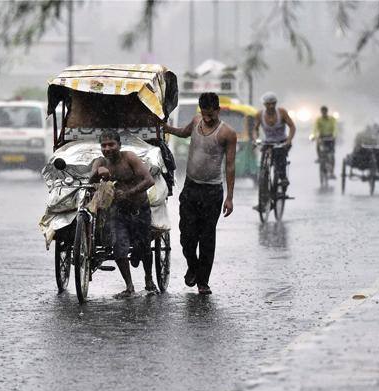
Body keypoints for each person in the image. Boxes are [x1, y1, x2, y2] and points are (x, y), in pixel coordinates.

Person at [161, 92, 237, 295]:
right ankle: (192, 266)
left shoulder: (227, 133)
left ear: (218, 110)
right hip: (191, 187)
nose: (208, 118)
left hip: (212, 191)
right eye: (204, 114)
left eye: (211, 114)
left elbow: (230, 166)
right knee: (186, 235)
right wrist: (166, 128)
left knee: (207, 237)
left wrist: (229, 197)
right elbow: (184, 133)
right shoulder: (196, 121)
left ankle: (203, 281)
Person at [89, 131, 155, 298]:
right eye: (104, 145)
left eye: (111, 144)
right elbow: (90, 181)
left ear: (119, 145)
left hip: (140, 209)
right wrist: (97, 173)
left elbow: (149, 180)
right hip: (117, 212)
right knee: (119, 249)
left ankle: (149, 279)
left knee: (144, 247)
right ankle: (129, 286)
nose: (107, 148)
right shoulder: (100, 161)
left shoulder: (129, 158)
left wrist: (129, 193)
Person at [252, 92, 296, 187]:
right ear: (264, 104)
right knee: (264, 161)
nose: (271, 106)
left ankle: (282, 177)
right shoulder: (260, 115)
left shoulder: (282, 112)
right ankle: (264, 180)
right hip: (268, 142)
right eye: (268, 104)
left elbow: (292, 126)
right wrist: (256, 139)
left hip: (281, 142)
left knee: (280, 159)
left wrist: (289, 140)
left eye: (273, 103)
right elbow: (255, 129)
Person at [311, 106, 338, 178]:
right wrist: (314, 135)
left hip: (330, 137)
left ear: (327, 112)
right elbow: (315, 128)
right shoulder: (318, 120)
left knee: (332, 155)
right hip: (322, 137)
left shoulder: (332, 119)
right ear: (321, 112)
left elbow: (335, 128)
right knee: (318, 145)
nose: (324, 113)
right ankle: (319, 157)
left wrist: (334, 135)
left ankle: (332, 172)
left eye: (325, 111)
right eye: (322, 112)